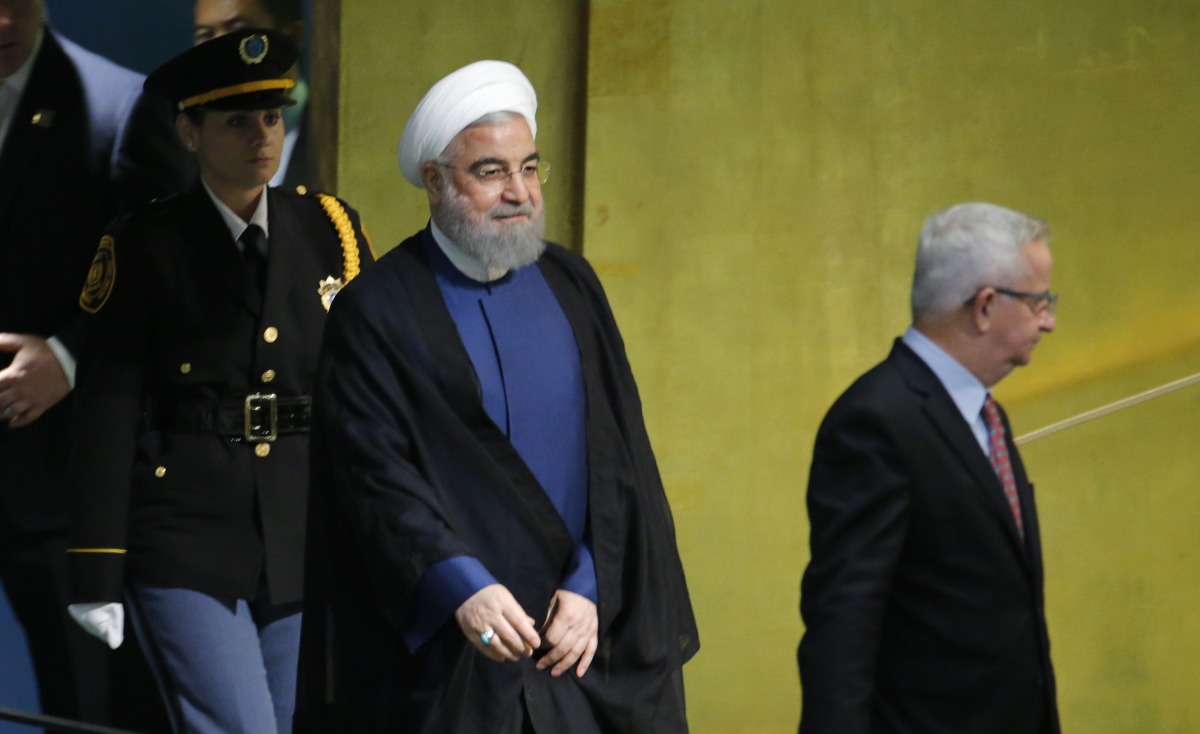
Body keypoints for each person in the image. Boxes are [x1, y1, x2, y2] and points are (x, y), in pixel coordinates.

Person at [294, 60, 698, 733]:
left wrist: (593, 588)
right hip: (455, 654)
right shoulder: (378, 311)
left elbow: (619, 460)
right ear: (434, 181)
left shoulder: (572, 284)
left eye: (530, 168)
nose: (519, 192)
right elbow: (374, 479)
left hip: (580, 646)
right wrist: (461, 588)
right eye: (491, 171)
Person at [65, 28, 372, 734]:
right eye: (236, 120)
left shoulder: (329, 227)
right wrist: (96, 568)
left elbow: (370, 386)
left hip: (302, 525)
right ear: (188, 131)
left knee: (290, 723)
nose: (261, 136)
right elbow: (108, 410)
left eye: (270, 116)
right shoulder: (143, 243)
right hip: (185, 532)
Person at [797, 202, 1061, 734]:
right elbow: (845, 621)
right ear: (984, 306)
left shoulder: (984, 414)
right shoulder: (876, 419)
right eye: (1039, 302)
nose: (1049, 321)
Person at [0, 0, 181, 726]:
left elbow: (171, 272)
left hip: (62, 475)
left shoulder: (122, 104)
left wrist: (71, 356)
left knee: (91, 700)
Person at [194, 0, 318, 192]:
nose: (218, 51)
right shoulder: (189, 149)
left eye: (238, 31)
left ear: (293, 38)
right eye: (206, 35)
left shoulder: (332, 140)